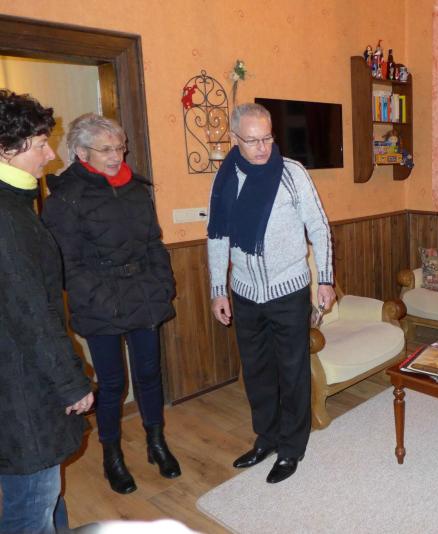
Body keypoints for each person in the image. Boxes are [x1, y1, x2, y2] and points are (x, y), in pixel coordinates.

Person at [41, 113, 180, 495]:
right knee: (113, 383)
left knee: (149, 374)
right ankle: (112, 456)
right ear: (82, 152)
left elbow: (153, 243)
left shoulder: (135, 188)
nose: (117, 156)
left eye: (120, 147)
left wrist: (163, 284)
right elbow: (67, 264)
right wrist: (104, 299)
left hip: (144, 294)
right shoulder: (66, 197)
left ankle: (156, 443)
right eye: (106, 149)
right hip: (99, 302)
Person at [207, 102, 335, 484]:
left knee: (293, 372)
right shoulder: (226, 178)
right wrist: (218, 290)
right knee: (257, 372)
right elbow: (217, 236)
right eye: (253, 141)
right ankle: (266, 438)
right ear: (235, 139)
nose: (263, 147)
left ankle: (292, 447)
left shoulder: (292, 173)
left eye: (268, 138)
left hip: (288, 290)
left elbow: (319, 226)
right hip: (245, 293)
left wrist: (325, 279)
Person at [0, 90, 94, 533]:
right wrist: (72, 383)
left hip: (20, 378)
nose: (51, 155)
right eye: (40, 144)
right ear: (6, 149)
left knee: (46, 496)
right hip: (21, 389)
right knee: (31, 506)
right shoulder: (7, 219)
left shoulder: (15, 206)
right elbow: (32, 314)